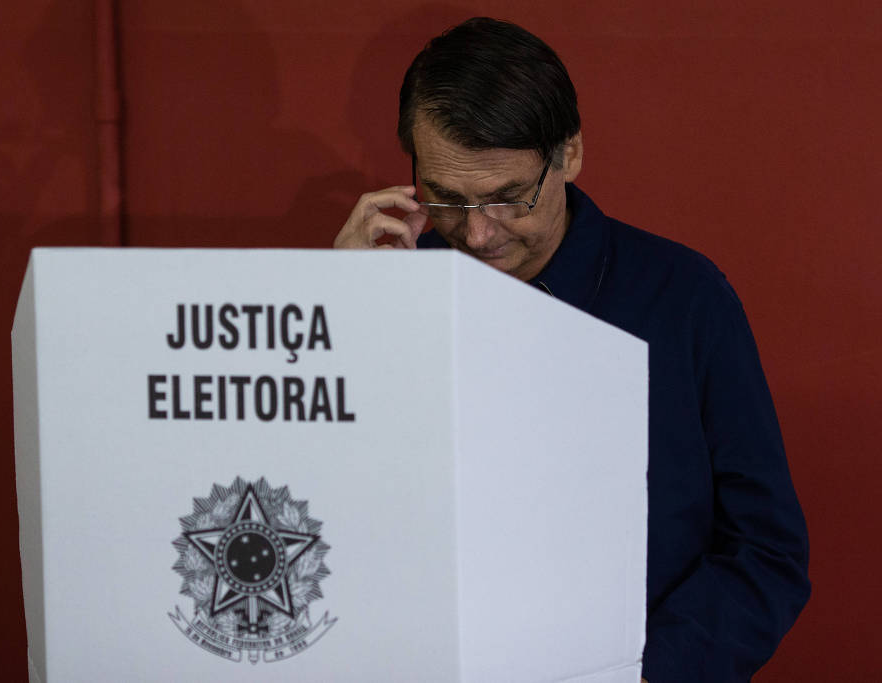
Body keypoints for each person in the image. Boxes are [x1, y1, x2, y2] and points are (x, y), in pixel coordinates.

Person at [333, 17, 810, 682]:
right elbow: (326, 514)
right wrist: (338, 310)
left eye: (508, 199)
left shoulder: (686, 298)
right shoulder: (384, 287)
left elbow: (765, 551)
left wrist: (644, 674)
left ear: (571, 154)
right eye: (446, 199)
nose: (477, 234)